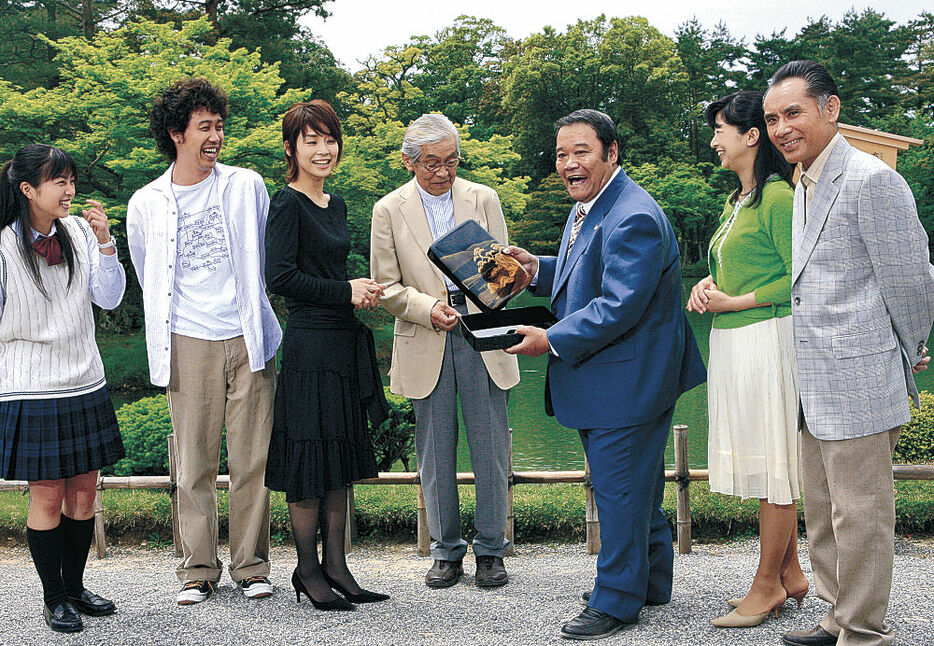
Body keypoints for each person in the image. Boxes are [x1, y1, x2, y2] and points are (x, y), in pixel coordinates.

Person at [505, 109, 706, 640]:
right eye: (561, 154)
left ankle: (616, 600)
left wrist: (550, 338)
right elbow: (587, 271)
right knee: (637, 486)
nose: (569, 165)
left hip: (626, 380)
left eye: (581, 152)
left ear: (611, 153)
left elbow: (618, 305)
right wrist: (537, 269)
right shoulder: (597, 206)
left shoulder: (632, 215)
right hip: (629, 376)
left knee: (618, 490)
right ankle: (650, 580)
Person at [763, 60, 934, 646]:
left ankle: (862, 630)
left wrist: (906, 350)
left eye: (794, 113)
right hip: (814, 378)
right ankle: (836, 612)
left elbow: (911, 281)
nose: (782, 127)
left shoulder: (870, 180)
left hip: (859, 375)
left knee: (861, 517)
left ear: (830, 110)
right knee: (825, 512)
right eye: (772, 118)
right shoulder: (804, 179)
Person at [127, 77, 282, 605]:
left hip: (248, 334)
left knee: (252, 458)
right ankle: (196, 570)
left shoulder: (246, 185)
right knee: (193, 462)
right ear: (176, 133)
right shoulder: (146, 201)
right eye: (203, 128)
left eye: (218, 126)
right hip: (187, 338)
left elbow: (264, 255)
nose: (214, 137)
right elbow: (150, 276)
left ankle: (252, 566)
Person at [370, 113, 520, 588]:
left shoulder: (484, 198)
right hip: (425, 334)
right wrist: (425, 306)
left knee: (491, 447)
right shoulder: (388, 209)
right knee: (434, 454)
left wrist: (495, 281)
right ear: (408, 162)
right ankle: (446, 550)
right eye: (431, 162)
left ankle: (492, 550)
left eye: (451, 161)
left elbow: (503, 274)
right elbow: (385, 286)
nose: (443, 172)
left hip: (483, 333)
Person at [264, 100, 389, 611]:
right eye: (310, 140)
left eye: (329, 139)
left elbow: (329, 277)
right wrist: (345, 290)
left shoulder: (334, 205)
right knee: (310, 456)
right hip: (309, 346)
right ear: (292, 148)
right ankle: (307, 570)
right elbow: (280, 278)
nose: (323, 149)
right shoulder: (286, 203)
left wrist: (361, 290)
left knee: (337, 456)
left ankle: (337, 566)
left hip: (340, 343)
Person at [686, 90, 804, 628]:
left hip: (765, 340)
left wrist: (735, 300)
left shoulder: (778, 196)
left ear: (750, 136)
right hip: (737, 339)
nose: (714, 141)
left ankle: (766, 587)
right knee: (765, 460)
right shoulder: (739, 200)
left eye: (720, 131)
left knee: (773, 468)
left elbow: (794, 278)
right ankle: (792, 571)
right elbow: (743, 265)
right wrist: (712, 283)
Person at [0, 144, 126, 632]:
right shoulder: (4, 245)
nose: (70, 190)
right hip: (31, 386)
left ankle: (74, 588)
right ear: (28, 189)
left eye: (72, 180)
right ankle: (54, 598)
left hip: (83, 379)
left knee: (84, 493)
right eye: (59, 182)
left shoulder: (77, 229)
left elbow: (110, 299)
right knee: (48, 497)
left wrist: (106, 243)